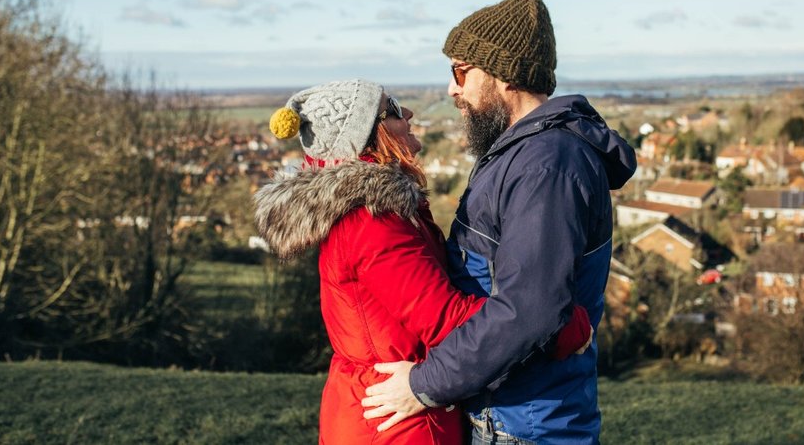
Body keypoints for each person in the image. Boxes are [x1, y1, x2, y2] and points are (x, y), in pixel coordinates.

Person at [362, 0, 637, 444]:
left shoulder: (545, 166)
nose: (452, 89)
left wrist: (425, 385)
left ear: (504, 75)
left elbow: (528, 309)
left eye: (460, 71)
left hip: (524, 425)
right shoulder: (525, 154)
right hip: (510, 416)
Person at [253, 79, 591, 445]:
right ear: (369, 134)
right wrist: (557, 326)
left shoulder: (382, 210)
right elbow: (443, 319)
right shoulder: (370, 221)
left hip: (387, 412)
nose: (409, 113)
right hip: (397, 425)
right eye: (394, 108)